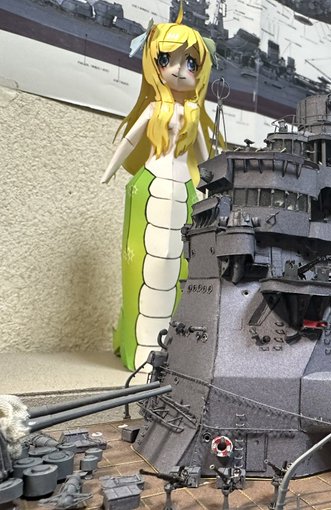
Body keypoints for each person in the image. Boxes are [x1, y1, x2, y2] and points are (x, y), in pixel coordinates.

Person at [101, 7, 216, 370]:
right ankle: (137, 348)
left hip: (183, 190)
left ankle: (167, 352)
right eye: (168, 59)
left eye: (191, 63)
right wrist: (109, 172)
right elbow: (131, 140)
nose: (179, 70)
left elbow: (206, 158)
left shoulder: (193, 116)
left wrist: (215, 187)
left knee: (177, 265)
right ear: (155, 63)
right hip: (151, 184)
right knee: (143, 264)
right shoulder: (154, 109)